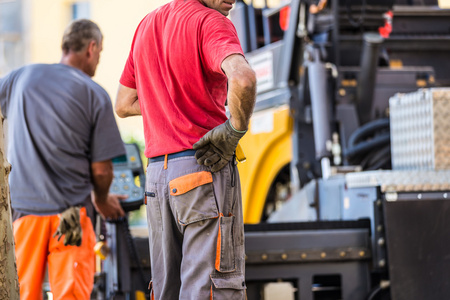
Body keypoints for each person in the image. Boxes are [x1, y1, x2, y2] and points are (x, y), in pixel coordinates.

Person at [115, 0, 256, 299]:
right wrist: (235, 129)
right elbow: (243, 78)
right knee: (209, 290)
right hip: (201, 169)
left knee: (167, 289)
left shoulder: (146, 26)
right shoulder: (211, 22)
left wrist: (165, 106)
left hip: (156, 180)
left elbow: (124, 104)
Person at [0, 19, 127, 300]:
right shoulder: (93, 93)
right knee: (70, 294)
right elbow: (102, 169)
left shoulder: (20, 77)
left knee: (21, 292)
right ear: (91, 48)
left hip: (24, 215)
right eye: (101, 52)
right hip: (69, 216)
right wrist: (102, 199)